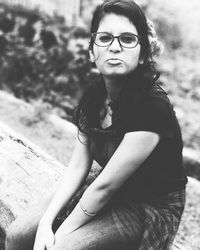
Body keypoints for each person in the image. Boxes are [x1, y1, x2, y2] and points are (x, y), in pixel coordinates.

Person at [5, 0, 188, 249]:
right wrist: (47, 223)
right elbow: (78, 165)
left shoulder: (153, 107)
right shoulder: (94, 96)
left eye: (127, 39)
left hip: (147, 204)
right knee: (18, 234)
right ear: (92, 51)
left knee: (62, 247)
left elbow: (105, 187)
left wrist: (60, 233)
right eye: (105, 38)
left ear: (144, 53)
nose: (115, 47)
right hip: (106, 187)